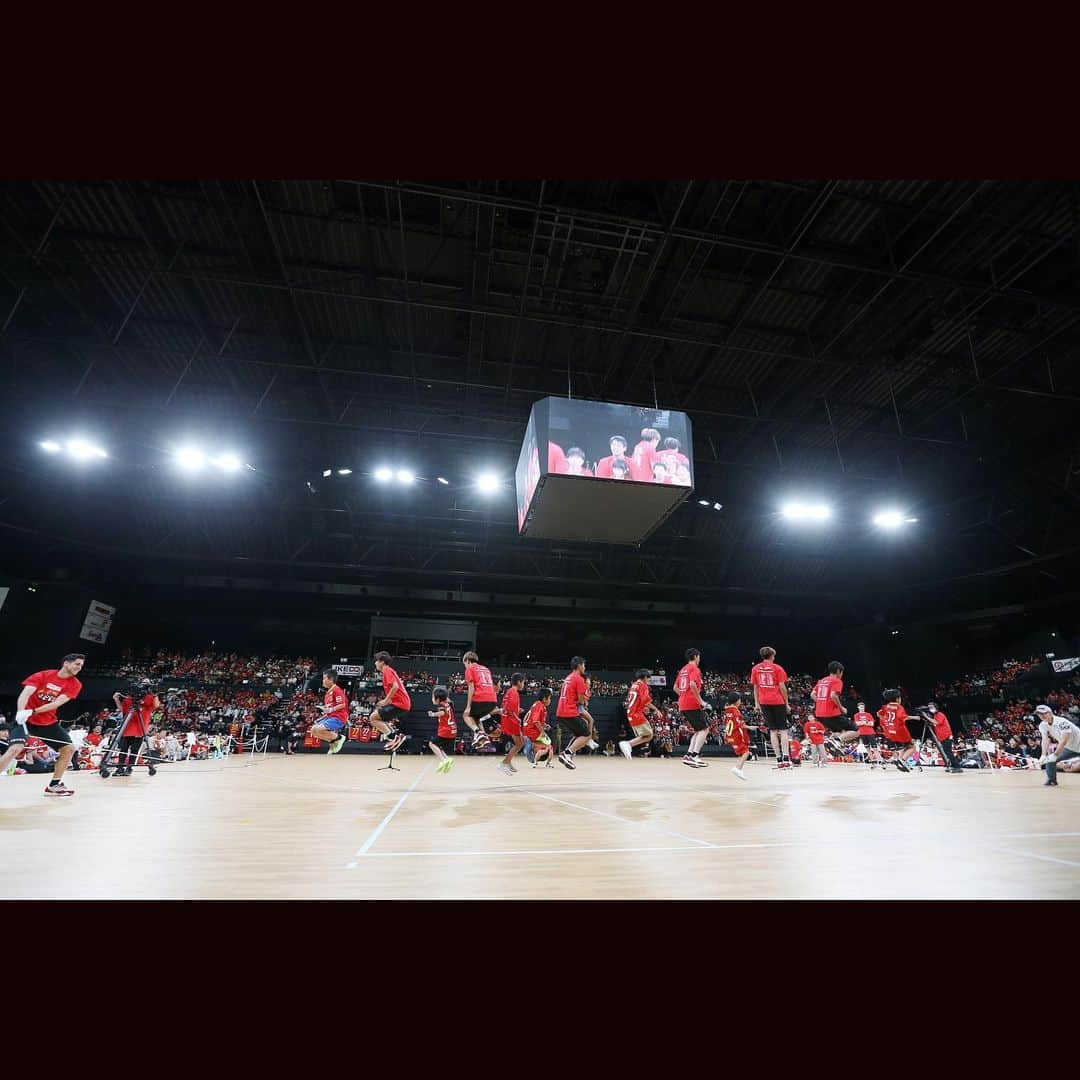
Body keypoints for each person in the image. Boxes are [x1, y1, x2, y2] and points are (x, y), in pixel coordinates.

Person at [0, 653, 85, 796]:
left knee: (68, 749)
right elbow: (25, 694)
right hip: (24, 720)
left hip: (47, 722)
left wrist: (32, 711)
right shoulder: (43, 675)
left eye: (81, 665)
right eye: (77, 664)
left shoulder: (75, 684)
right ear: (66, 663)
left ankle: (54, 784)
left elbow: (56, 703)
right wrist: (21, 712)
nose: (80, 667)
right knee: (15, 749)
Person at [751, 645, 792, 768]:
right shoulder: (777, 668)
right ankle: (786, 758)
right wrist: (787, 703)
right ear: (772, 656)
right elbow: (782, 687)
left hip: (764, 701)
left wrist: (756, 704)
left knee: (773, 731)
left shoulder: (756, 669)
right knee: (783, 730)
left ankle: (778, 759)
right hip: (777, 701)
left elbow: (755, 687)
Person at [110, 688, 161, 776]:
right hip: (127, 728)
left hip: (139, 729)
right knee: (123, 749)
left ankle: (129, 768)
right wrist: (117, 700)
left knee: (134, 750)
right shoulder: (129, 698)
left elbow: (156, 705)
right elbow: (123, 709)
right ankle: (120, 768)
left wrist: (155, 695)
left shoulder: (149, 698)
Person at [676, 648, 711, 769]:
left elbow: (676, 687)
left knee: (698, 730)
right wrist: (701, 701)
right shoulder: (694, 668)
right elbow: (692, 684)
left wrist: (683, 696)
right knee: (705, 729)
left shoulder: (683, 670)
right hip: (691, 703)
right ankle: (694, 756)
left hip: (683, 704)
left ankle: (689, 755)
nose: (699, 659)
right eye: (699, 656)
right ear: (696, 656)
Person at [368, 652, 410, 752]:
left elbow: (395, 686)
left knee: (373, 718)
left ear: (382, 662)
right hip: (400, 703)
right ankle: (394, 737)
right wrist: (385, 702)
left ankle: (394, 737)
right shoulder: (388, 671)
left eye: (376, 661)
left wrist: (386, 700)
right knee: (376, 718)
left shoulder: (387, 670)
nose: (375, 663)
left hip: (400, 704)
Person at [812, 661, 859, 750]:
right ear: (838, 671)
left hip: (819, 714)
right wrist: (842, 708)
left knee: (837, 730)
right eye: (842, 672)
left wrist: (821, 703)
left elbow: (812, 694)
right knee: (856, 731)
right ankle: (836, 741)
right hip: (831, 713)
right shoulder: (837, 681)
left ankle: (832, 743)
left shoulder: (821, 681)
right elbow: (833, 695)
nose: (842, 675)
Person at [556, 657, 592, 770]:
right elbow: (581, 700)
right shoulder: (578, 679)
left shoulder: (568, 678)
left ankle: (568, 754)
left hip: (560, 711)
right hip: (569, 711)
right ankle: (567, 753)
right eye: (584, 665)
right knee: (586, 734)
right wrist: (583, 699)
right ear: (580, 665)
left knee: (578, 735)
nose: (584, 668)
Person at [619, 669, 661, 761]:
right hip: (636, 714)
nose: (649, 681)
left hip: (630, 713)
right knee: (649, 735)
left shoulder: (634, 685)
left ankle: (628, 745)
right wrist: (656, 709)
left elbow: (638, 701)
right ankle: (628, 744)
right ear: (645, 677)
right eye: (648, 679)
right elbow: (646, 701)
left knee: (646, 735)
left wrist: (643, 708)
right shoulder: (643, 686)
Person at [461, 651, 499, 750]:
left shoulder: (470, 668)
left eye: (464, 664)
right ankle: (483, 739)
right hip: (493, 701)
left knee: (466, 715)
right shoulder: (486, 669)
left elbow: (471, 687)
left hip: (481, 698)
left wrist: (468, 706)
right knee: (476, 717)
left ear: (467, 661)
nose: (465, 666)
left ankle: (478, 733)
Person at [308, 669, 351, 754]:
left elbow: (342, 704)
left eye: (324, 679)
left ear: (331, 680)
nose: (323, 681)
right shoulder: (327, 694)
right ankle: (333, 741)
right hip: (330, 717)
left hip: (339, 717)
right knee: (313, 730)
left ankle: (339, 738)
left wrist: (331, 709)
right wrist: (321, 717)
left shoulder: (337, 690)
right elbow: (328, 711)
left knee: (319, 729)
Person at [1036, 704, 1080, 786]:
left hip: (1076, 744)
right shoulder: (1042, 725)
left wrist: (1055, 754)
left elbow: (1063, 741)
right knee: (1050, 760)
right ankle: (1051, 780)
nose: (1041, 716)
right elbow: (1045, 740)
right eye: (1039, 714)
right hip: (1070, 747)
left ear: (1050, 713)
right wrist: (1043, 755)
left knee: (1052, 757)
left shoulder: (1062, 722)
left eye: (1044, 713)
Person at [878, 690, 915, 773]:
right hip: (900, 730)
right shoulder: (899, 707)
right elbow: (901, 716)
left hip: (891, 731)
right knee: (912, 747)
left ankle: (900, 762)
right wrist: (915, 717)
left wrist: (886, 722)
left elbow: (879, 714)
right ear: (897, 698)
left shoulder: (886, 706)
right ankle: (902, 760)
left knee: (904, 747)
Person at [497, 673, 526, 777]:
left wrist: (518, 710)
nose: (523, 684)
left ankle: (507, 762)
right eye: (523, 682)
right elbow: (509, 710)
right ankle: (504, 763)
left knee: (520, 743)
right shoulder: (514, 692)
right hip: (511, 721)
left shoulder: (509, 691)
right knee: (520, 743)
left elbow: (507, 707)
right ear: (518, 682)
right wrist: (517, 718)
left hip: (507, 720)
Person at [925, 701, 963, 773]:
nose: (930, 709)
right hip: (942, 737)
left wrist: (927, 717)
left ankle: (957, 767)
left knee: (948, 752)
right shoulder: (935, 716)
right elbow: (934, 723)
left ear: (936, 707)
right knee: (947, 752)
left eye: (932, 707)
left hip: (946, 736)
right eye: (929, 708)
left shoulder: (940, 714)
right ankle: (953, 765)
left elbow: (936, 722)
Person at [426, 686, 456, 774]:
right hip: (452, 730)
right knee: (440, 746)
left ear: (438, 698)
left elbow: (442, 712)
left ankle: (443, 760)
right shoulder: (448, 703)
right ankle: (447, 759)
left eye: (433, 697)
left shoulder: (441, 705)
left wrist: (433, 714)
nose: (432, 699)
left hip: (446, 730)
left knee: (432, 744)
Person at [723, 692, 751, 780]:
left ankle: (739, 767)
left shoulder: (727, 711)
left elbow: (726, 723)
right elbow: (740, 724)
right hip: (736, 735)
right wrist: (749, 727)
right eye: (739, 700)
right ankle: (738, 768)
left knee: (745, 752)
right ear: (736, 701)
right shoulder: (736, 711)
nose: (740, 701)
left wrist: (725, 735)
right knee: (746, 752)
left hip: (730, 735)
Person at [523, 689, 554, 767]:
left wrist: (544, 725)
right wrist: (543, 732)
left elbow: (536, 720)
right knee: (549, 746)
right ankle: (530, 751)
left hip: (528, 729)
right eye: (549, 698)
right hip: (531, 731)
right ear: (544, 699)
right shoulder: (540, 706)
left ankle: (531, 746)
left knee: (546, 745)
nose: (550, 700)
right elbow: (536, 721)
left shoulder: (537, 704)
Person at [852, 701, 883, 768]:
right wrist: (866, 722)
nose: (862, 708)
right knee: (867, 748)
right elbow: (857, 724)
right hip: (862, 733)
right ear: (858, 707)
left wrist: (862, 722)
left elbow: (872, 724)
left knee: (874, 747)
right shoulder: (856, 715)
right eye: (861, 707)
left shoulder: (868, 714)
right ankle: (873, 762)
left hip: (870, 732)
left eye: (863, 707)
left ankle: (880, 761)